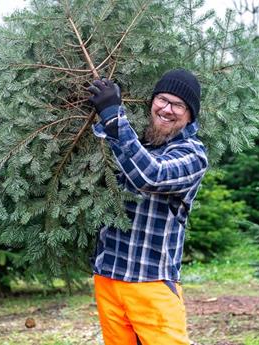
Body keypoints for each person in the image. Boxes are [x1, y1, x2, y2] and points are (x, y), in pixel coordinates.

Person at [87, 69, 208, 345]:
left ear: (190, 114)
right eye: (162, 100)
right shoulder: (137, 141)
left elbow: (150, 175)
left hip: (150, 282)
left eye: (178, 105)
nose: (167, 109)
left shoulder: (192, 154)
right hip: (108, 276)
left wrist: (113, 115)